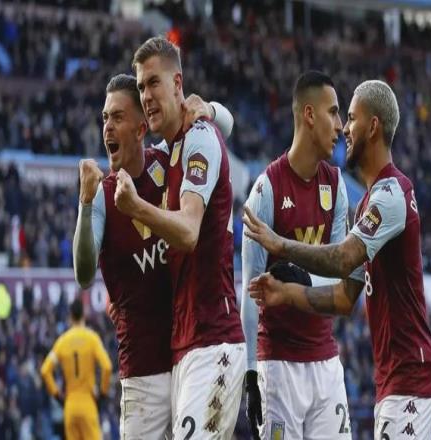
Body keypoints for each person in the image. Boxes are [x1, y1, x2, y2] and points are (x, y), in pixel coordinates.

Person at [244, 80, 431, 440]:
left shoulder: (391, 194)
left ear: (373, 126)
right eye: (340, 116)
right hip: (391, 379)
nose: (344, 128)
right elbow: (344, 298)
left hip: (410, 377)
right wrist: (287, 294)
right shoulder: (367, 204)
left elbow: (343, 258)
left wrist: (281, 244)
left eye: (350, 117)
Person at [73, 73, 234, 439]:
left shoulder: (169, 159)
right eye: (104, 118)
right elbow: (83, 274)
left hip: (188, 356)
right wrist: (84, 203)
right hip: (142, 373)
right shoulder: (103, 195)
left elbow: (226, 126)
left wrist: (207, 109)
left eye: (117, 117)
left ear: (141, 128)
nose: (107, 127)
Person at [114, 36, 246, 439]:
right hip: (184, 345)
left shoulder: (198, 139)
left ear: (177, 84)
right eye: (141, 87)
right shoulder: (169, 150)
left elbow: (188, 231)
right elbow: (225, 122)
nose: (146, 96)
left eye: (154, 82)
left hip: (214, 341)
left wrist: (136, 207)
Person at [241, 70, 355, 439]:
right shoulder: (266, 190)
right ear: (309, 114)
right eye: (333, 112)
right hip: (278, 367)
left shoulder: (336, 186)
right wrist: (250, 373)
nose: (340, 125)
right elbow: (249, 291)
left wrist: (298, 277)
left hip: (325, 360)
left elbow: (339, 273)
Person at [40, 298, 112, 440]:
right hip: (88, 404)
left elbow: (45, 370)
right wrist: (102, 395)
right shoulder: (92, 339)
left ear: (70, 316)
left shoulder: (62, 341)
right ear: (83, 315)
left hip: (70, 406)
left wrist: (58, 396)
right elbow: (107, 367)